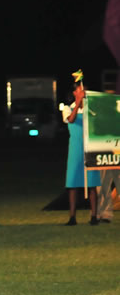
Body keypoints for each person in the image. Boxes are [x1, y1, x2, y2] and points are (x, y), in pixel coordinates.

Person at [63, 82, 100, 225]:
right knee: (73, 183)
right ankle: (72, 217)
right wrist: (78, 104)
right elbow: (71, 120)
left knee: (91, 183)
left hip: (90, 148)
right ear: (74, 93)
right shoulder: (67, 108)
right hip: (75, 149)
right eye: (79, 89)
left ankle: (94, 216)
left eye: (84, 88)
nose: (83, 91)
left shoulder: (91, 109)